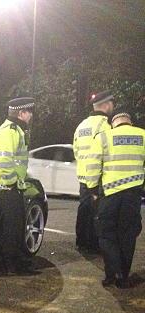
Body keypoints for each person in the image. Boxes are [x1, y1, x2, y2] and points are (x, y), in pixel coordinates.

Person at [87, 109, 145, 288]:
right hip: (133, 196)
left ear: (113, 123)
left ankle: (112, 274)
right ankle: (122, 276)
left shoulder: (104, 137)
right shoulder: (142, 135)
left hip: (109, 196)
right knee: (127, 235)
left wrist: (92, 189)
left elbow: (93, 165)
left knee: (106, 235)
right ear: (130, 122)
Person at [0, 97, 35, 274]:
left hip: (12, 187)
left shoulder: (16, 131)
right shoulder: (8, 132)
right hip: (6, 188)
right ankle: (11, 266)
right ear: (21, 113)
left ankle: (16, 260)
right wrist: (11, 183)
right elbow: (5, 160)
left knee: (17, 226)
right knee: (12, 228)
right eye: (29, 112)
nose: (31, 115)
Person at [73, 90, 114, 254]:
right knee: (98, 213)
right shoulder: (105, 126)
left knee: (84, 209)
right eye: (112, 103)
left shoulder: (82, 125)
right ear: (105, 105)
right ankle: (94, 245)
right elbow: (108, 153)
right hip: (99, 178)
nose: (113, 106)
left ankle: (81, 242)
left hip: (84, 176)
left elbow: (76, 151)